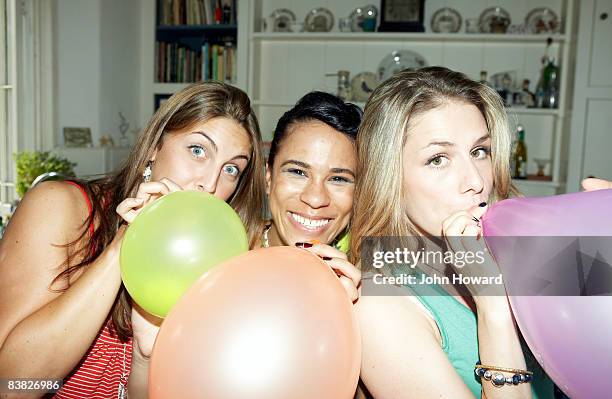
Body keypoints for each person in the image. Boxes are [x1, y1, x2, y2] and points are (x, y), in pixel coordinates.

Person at [0, 81, 266, 398]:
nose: (209, 184)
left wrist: (144, 356)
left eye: (231, 169)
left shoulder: (210, 259)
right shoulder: (63, 207)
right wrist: (125, 244)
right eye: (197, 151)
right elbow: (12, 386)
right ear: (155, 147)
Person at [351, 67, 554, 398]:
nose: (475, 181)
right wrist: (493, 305)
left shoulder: (516, 250)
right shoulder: (379, 307)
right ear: (389, 179)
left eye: (479, 151)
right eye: (438, 159)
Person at [256, 91, 363, 302]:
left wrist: (356, 314)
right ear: (269, 177)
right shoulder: (225, 250)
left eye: (339, 179)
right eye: (298, 172)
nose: (315, 199)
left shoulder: (369, 266)